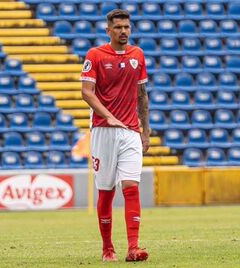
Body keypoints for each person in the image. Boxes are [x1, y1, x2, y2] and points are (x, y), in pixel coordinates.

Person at [80, 9, 150, 262]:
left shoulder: (138, 55)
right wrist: (107, 114)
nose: (123, 31)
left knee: (131, 187)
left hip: (130, 130)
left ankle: (134, 248)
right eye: (118, 27)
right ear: (108, 30)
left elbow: (142, 95)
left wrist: (146, 131)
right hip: (103, 130)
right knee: (106, 191)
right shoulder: (95, 55)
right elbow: (86, 92)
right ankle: (107, 247)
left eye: (127, 27)